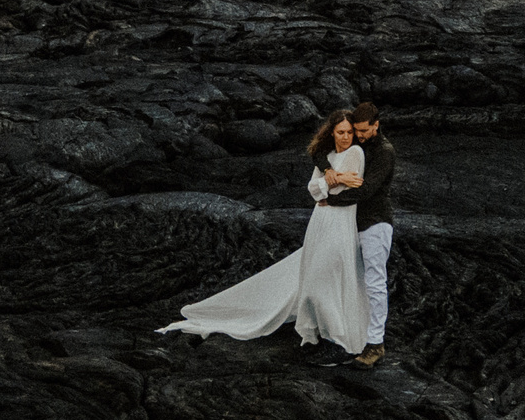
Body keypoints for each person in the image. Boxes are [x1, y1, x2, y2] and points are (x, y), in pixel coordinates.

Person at [158, 112, 370, 352]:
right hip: (319, 221)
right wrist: (330, 181)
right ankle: (320, 332)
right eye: (340, 132)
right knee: (313, 276)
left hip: (340, 220)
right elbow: (313, 190)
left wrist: (330, 182)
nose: (345, 137)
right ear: (331, 132)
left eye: (349, 132)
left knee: (328, 274)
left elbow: (346, 189)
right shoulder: (328, 157)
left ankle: (336, 336)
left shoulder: (355, 153)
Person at [314, 102, 395, 368]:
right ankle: (349, 334)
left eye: (363, 131)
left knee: (374, 282)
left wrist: (330, 201)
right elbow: (320, 151)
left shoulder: (383, 152)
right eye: (355, 131)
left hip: (375, 223)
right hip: (350, 225)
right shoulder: (357, 145)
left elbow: (367, 190)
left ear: (376, 125)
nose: (358, 135)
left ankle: (375, 345)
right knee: (350, 280)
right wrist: (328, 171)